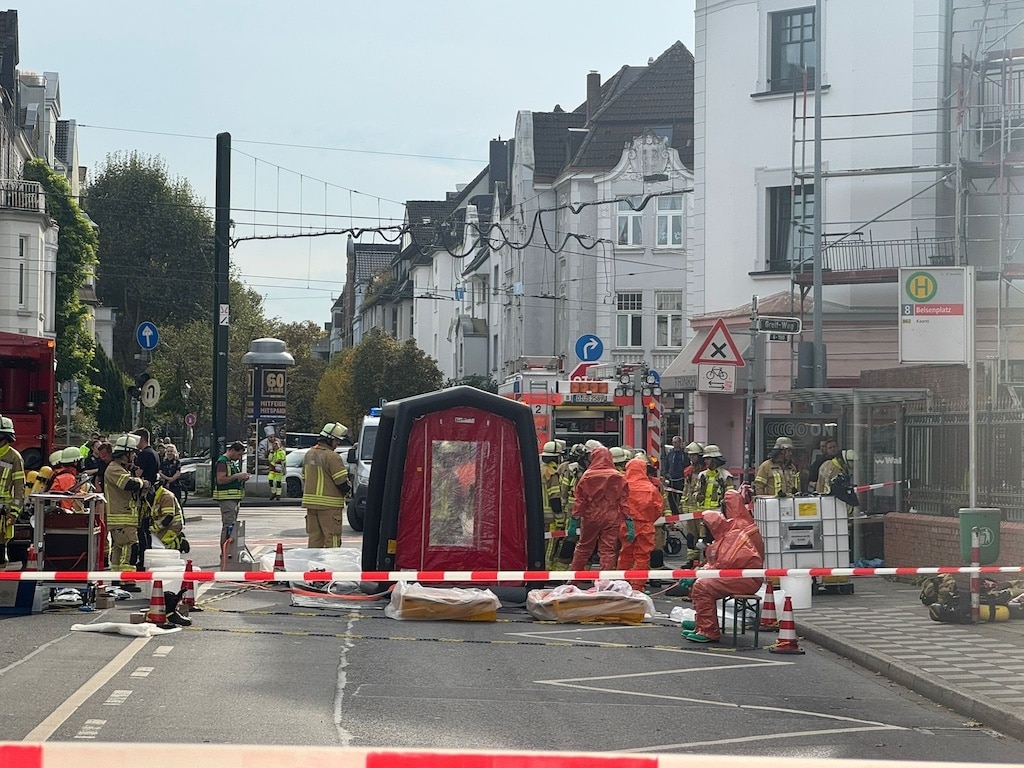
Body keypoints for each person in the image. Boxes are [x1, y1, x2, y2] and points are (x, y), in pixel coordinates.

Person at [683, 488, 766, 643]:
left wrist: (699, 574)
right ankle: (702, 623)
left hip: (745, 578)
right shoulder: (739, 526)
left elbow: (726, 562)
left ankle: (708, 630)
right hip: (743, 575)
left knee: (702, 586)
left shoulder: (736, 530)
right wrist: (699, 571)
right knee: (701, 583)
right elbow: (721, 563)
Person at [568, 445, 629, 576]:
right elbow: (624, 501)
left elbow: (580, 501)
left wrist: (574, 520)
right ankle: (604, 581)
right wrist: (629, 521)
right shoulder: (619, 477)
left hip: (591, 515)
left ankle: (573, 578)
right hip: (612, 515)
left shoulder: (587, 476)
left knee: (583, 547)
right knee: (608, 550)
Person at [104, 434, 147, 590]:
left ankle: (117, 579)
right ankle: (127, 580)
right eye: (132, 453)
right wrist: (143, 482)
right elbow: (128, 484)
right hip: (122, 517)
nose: (134, 456)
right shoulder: (114, 468)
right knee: (131, 546)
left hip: (123, 517)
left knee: (119, 548)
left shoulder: (119, 468)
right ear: (124, 454)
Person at [617, 456, 666, 591]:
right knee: (642, 556)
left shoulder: (623, 486)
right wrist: (648, 519)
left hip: (627, 525)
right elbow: (658, 508)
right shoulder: (650, 488)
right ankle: (637, 585)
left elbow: (617, 505)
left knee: (625, 553)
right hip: (645, 526)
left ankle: (622, 583)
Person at [301, 423, 350, 548]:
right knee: (332, 538)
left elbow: (304, 477)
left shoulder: (309, 454)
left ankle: (313, 565)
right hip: (330, 506)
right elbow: (341, 482)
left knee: (314, 538)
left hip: (311, 504)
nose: (337, 443)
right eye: (336, 440)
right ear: (329, 439)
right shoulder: (332, 457)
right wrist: (349, 491)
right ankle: (332, 564)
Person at [132, 428, 160, 569]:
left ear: (141, 439)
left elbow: (137, 474)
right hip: (151, 491)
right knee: (146, 527)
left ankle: (142, 560)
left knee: (141, 528)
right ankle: (147, 557)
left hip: (144, 492)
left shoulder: (143, 455)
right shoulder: (154, 453)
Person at [214, 440, 250, 549]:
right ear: (232, 450)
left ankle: (229, 551)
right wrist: (237, 476)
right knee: (228, 526)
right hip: (226, 499)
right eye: (239, 454)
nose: (239, 457)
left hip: (233, 499)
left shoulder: (230, 462)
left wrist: (242, 478)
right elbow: (220, 479)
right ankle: (226, 551)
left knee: (232, 526)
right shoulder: (222, 462)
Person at [0, 415, 26, 567]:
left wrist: (14, 512)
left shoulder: (14, 457)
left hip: (3, 515)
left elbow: (19, 489)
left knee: (0, 553)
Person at [540, 440, 565, 568]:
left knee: (540, 543)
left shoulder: (539, 469)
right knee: (550, 544)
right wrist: (559, 518)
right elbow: (555, 498)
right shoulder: (551, 473)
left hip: (538, 515)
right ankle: (547, 570)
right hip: (550, 517)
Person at [691, 444, 733, 510]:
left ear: (715, 459)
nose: (705, 461)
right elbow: (694, 492)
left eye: (707, 459)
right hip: (702, 514)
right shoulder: (702, 475)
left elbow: (731, 498)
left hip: (718, 515)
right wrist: (697, 496)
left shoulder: (725, 476)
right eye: (705, 459)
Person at [662, 436, 688, 516]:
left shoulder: (684, 455)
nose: (674, 444)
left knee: (681, 496)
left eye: (676, 442)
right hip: (671, 479)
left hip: (680, 479)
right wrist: (666, 473)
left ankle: (681, 511)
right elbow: (667, 464)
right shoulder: (670, 454)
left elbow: (686, 465)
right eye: (673, 442)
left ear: (680, 443)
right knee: (671, 497)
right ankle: (674, 512)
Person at [267, 436, 286, 501]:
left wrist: (278, 460)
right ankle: (273, 492)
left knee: (278, 483)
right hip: (272, 468)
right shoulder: (273, 452)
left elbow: (283, 458)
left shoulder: (281, 451)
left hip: (279, 468)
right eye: (274, 445)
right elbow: (269, 459)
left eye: (276, 445)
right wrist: (271, 453)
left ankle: (278, 495)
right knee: (270, 481)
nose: (275, 446)